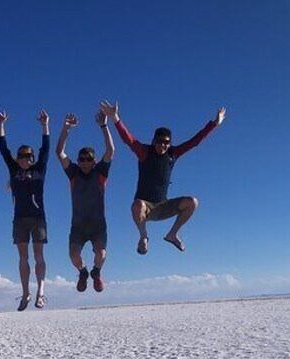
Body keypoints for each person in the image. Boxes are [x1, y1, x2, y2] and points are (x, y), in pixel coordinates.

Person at [100, 100, 226, 254]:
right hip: (145, 208)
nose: (162, 145)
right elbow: (129, 140)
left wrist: (214, 124)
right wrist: (115, 119)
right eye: (159, 142)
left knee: (192, 202)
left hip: (163, 206)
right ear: (153, 141)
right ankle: (143, 236)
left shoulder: (173, 154)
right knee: (137, 204)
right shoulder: (145, 152)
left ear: (170, 143)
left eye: (166, 142)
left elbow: (195, 142)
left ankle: (172, 234)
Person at [56, 109, 114, 293]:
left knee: (101, 253)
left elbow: (111, 150)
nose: (85, 162)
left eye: (89, 159)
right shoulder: (74, 173)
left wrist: (104, 126)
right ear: (78, 161)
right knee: (74, 255)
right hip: (78, 226)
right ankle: (83, 273)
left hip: (98, 225)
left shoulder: (100, 173)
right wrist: (66, 129)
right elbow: (59, 152)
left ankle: (96, 273)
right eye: (82, 159)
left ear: (94, 161)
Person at [0, 109, 50, 310]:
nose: (24, 159)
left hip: (38, 218)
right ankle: (26, 293)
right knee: (23, 257)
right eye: (21, 156)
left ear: (32, 158)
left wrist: (45, 125)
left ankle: (41, 292)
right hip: (19, 219)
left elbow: (46, 149)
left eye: (28, 156)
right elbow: (3, 150)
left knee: (38, 256)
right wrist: (1, 125)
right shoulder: (14, 171)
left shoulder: (39, 171)